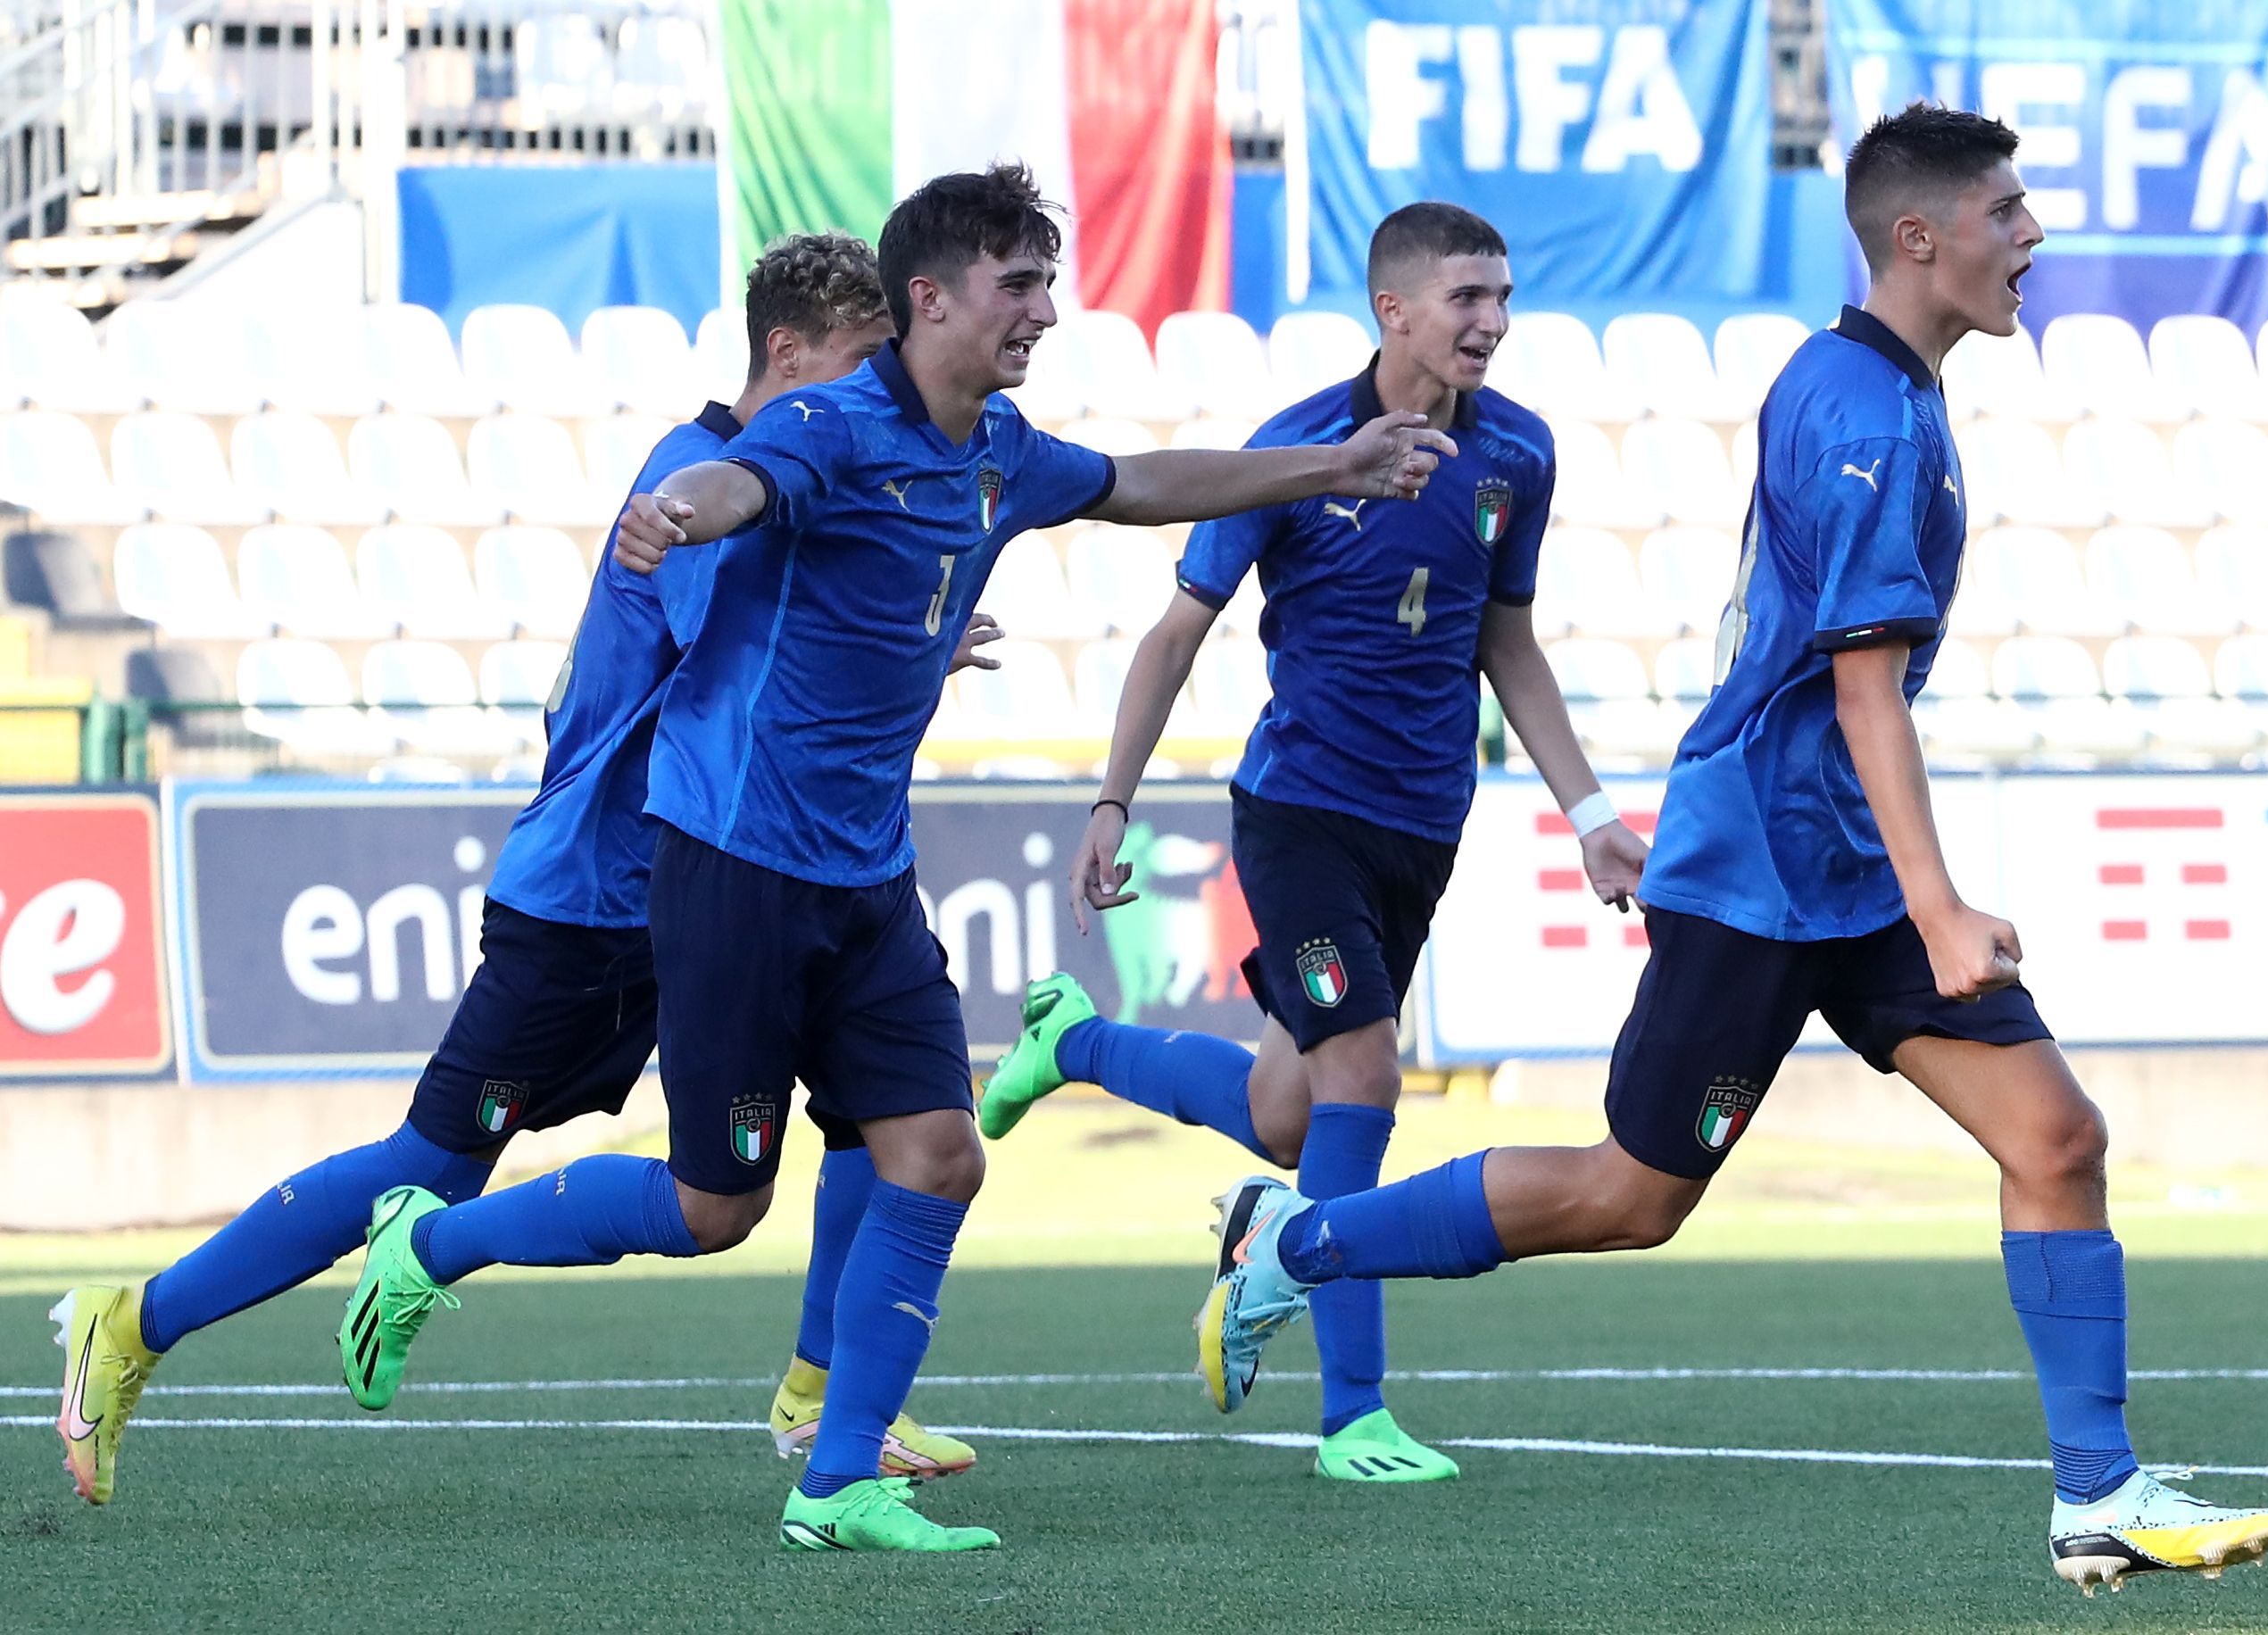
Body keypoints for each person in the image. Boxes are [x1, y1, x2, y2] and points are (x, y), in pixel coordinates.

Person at [1192, 105, 2268, 1594]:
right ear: (1920, 237)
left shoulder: (1893, 391)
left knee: (2058, 1140)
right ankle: (1297, 1246)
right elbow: (1861, 688)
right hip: (1762, 871)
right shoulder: (1859, 413)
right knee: (1629, 1199)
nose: (2033, 234)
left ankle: (2098, 1494)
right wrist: (1941, 906)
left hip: (1846, 860)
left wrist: (1913, 895)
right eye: (2009, 210)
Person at [334, 162, 1457, 1556]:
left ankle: (837, 1482)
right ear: (929, 297)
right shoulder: (830, 422)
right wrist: (678, 507)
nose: (1044, 311)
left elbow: (1138, 484)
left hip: (866, 878)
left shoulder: (1000, 447)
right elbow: (741, 481)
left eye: (1047, 283)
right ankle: (431, 1243)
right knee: (713, 1207)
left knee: (937, 1153)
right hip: (735, 865)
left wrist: (1332, 466)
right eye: (1017, 284)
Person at [47, 232, 986, 1508]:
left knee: (889, 1114)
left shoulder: (799, 477)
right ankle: (136, 1320)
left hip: (742, 882)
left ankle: (827, 1393)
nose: (882, 386)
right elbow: (742, 663)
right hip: (604, 896)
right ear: (786, 352)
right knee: (429, 1168)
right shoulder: (700, 484)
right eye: (863, 358)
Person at [975, 202, 1644, 1485]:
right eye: (1467, 298)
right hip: (1300, 817)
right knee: (1366, 1081)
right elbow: (1176, 632)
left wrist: (1593, 817)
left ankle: (1073, 1044)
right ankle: (1353, 1415)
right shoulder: (1295, 453)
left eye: (1504, 297)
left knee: (1287, 1114)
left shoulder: (1519, 454)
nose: (1494, 322)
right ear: (1394, 310)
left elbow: (1506, 641)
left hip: (1423, 828)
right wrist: (1112, 801)